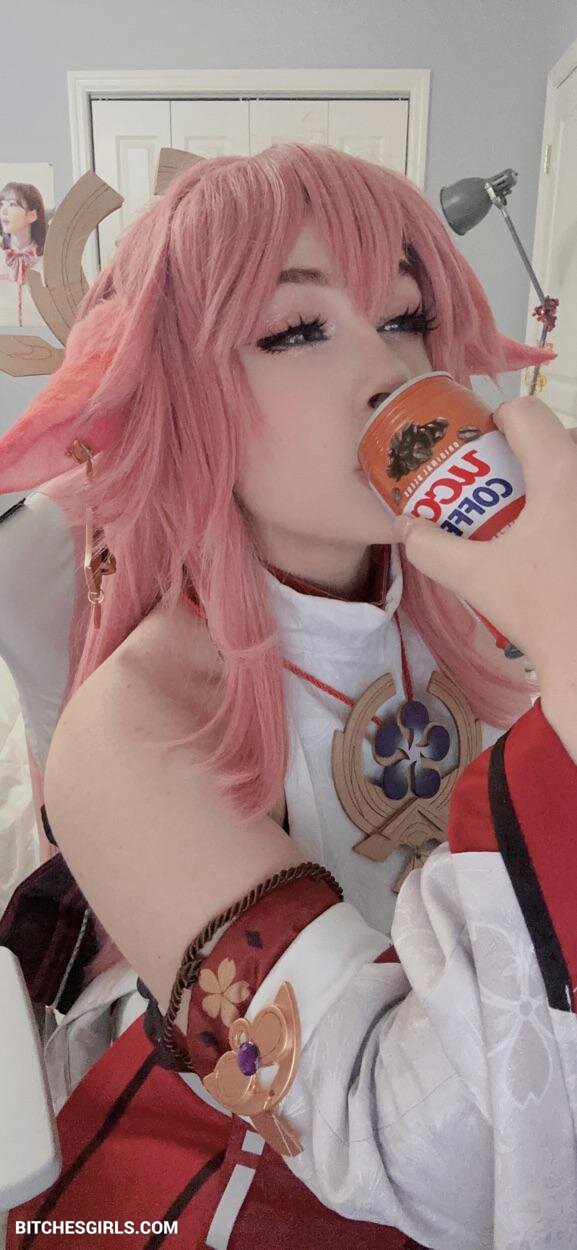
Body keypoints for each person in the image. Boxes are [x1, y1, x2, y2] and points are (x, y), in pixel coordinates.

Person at [1, 143, 575, 1250]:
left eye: (405, 318)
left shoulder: (481, 604)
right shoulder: (131, 730)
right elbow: (416, 1154)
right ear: (185, 395)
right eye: (297, 330)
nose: (390, 373)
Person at [0, 181, 46, 326]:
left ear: (32, 215)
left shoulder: (47, 261)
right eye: (2, 204)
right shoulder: (1, 259)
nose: (4, 211)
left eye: (12, 204)